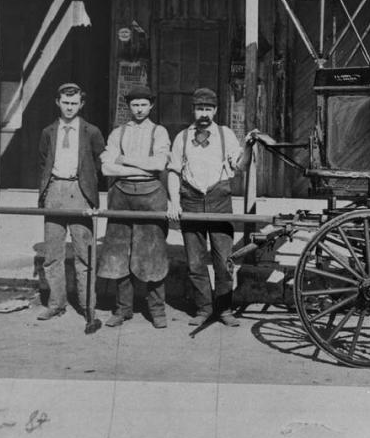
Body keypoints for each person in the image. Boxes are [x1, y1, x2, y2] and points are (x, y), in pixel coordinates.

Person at [167, 87, 247, 328]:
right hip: (190, 200)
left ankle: (224, 309)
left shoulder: (226, 135)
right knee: (195, 262)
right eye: (200, 108)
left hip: (219, 201)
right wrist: (174, 201)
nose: (204, 113)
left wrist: (251, 148)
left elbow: (240, 165)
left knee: (224, 261)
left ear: (215, 110)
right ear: (193, 110)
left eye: (208, 109)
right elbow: (173, 171)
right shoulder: (182, 137)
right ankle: (203, 308)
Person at [98, 85, 171, 329]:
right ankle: (123, 309)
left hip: (151, 195)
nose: (139, 109)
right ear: (128, 106)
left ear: (151, 106)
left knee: (153, 254)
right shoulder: (118, 133)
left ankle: (157, 311)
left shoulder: (159, 132)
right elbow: (107, 168)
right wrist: (142, 166)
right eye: (134, 105)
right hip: (120, 194)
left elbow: (159, 165)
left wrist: (125, 160)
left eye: (143, 105)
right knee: (120, 253)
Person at [36, 82, 105, 334]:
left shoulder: (91, 131)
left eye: (74, 103)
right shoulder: (48, 132)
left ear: (81, 104)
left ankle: (88, 308)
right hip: (55, 190)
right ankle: (56, 303)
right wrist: (45, 192)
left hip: (80, 192)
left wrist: (88, 187)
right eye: (65, 103)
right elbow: (43, 161)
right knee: (52, 253)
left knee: (84, 255)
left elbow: (101, 162)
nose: (69, 108)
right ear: (58, 102)